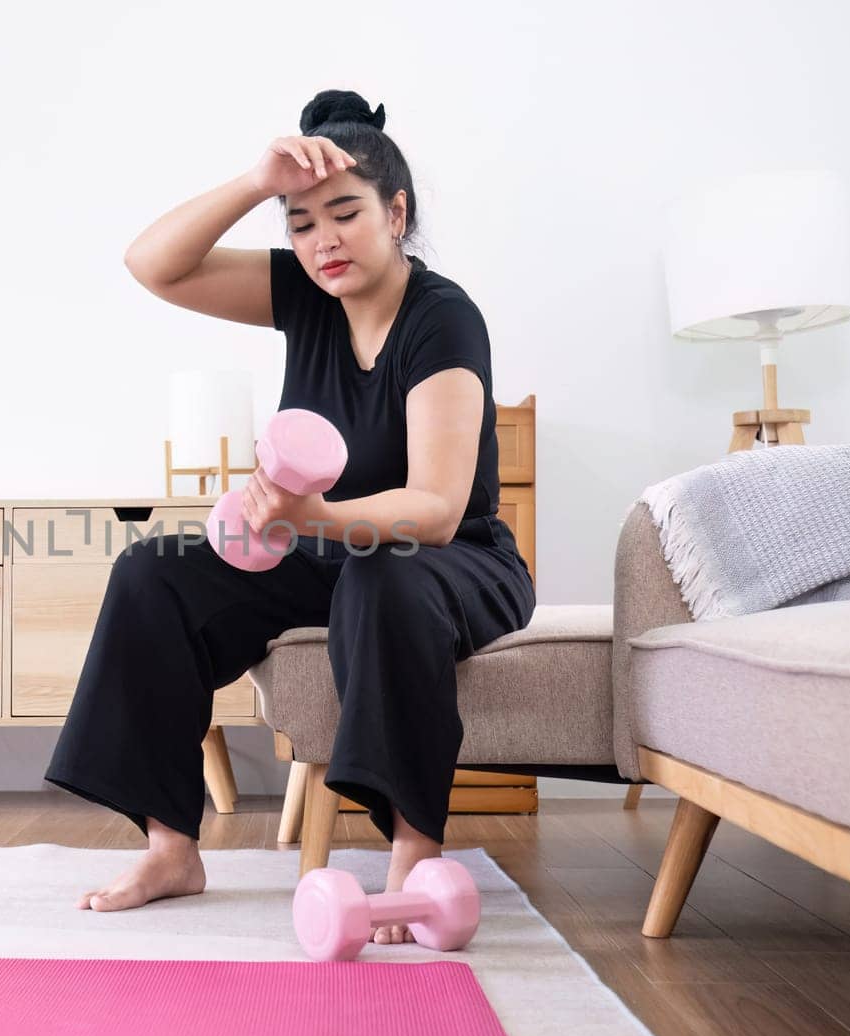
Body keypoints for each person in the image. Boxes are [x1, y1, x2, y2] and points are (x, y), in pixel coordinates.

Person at [43, 89, 536, 946]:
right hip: (332, 547)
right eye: (301, 224)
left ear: (397, 211)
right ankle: (171, 845)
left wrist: (314, 512)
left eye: (345, 214)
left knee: (384, 575)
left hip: (454, 558)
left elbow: (436, 505)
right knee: (154, 570)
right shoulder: (306, 294)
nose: (324, 242)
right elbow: (151, 263)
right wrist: (252, 181)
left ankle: (413, 854)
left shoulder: (444, 318)